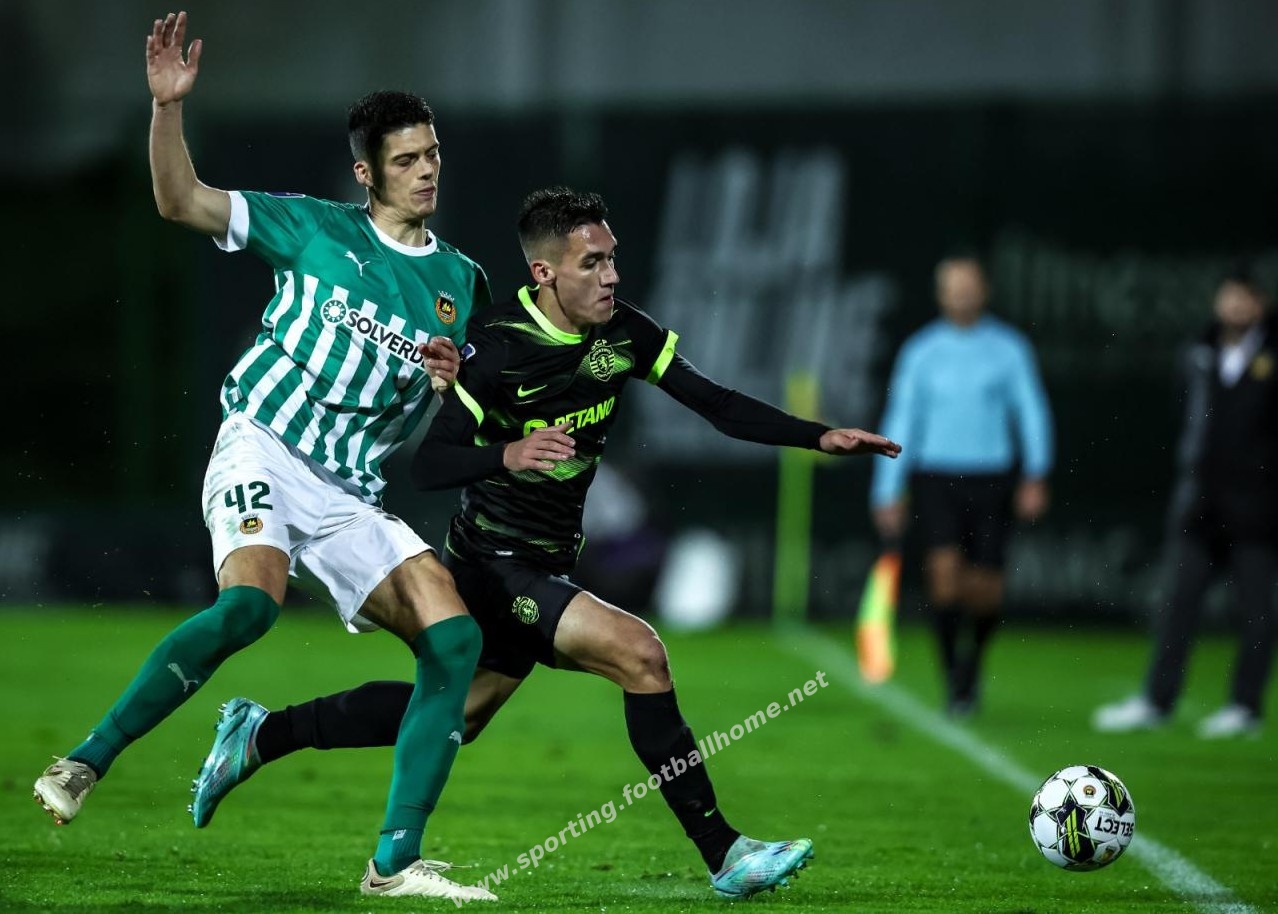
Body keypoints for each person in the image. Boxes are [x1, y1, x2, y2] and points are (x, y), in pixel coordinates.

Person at [185, 186, 902, 900]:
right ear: (545, 272)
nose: (611, 276)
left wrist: (819, 437)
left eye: (612, 259)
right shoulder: (497, 347)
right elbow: (431, 465)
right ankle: (726, 855)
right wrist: (509, 453)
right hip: (495, 563)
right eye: (592, 263)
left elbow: (716, 404)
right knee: (641, 655)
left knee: (456, 713)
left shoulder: (625, 333)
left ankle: (261, 734)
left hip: (546, 557)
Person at [32, 13, 495, 903]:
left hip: (350, 491)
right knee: (250, 607)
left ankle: (393, 864)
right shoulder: (310, 228)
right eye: (406, 159)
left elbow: (462, 417)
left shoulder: (461, 283)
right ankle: (87, 759)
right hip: (265, 446)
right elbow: (180, 200)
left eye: (432, 154)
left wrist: (454, 387)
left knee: (456, 640)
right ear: (366, 174)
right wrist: (168, 108)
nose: (426, 169)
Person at [1093, 268, 1278, 739]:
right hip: (1201, 506)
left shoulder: (1272, 356)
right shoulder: (1198, 352)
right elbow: (1186, 418)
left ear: (1261, 305)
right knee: (1177, 605)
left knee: (1258, 612)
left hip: (1257, 510)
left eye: (1247, 298)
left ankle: (1245, 706)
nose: (1237, 306)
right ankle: (1157, 701)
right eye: (1231, 297)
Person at [871, 255, 1053, 716]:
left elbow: (1030, 410)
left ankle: (973, 663)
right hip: (936, 477)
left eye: (969, 285)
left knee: (986, 589)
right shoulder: (922, 351)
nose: (962, 295)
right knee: (945, 577)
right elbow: (902, 417)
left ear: (984, 290)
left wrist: (1036, 473)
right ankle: (954, 675)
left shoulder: (1008, 348)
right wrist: (887, 489)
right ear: (940, 294)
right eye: (953, 287)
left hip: (991, 478)